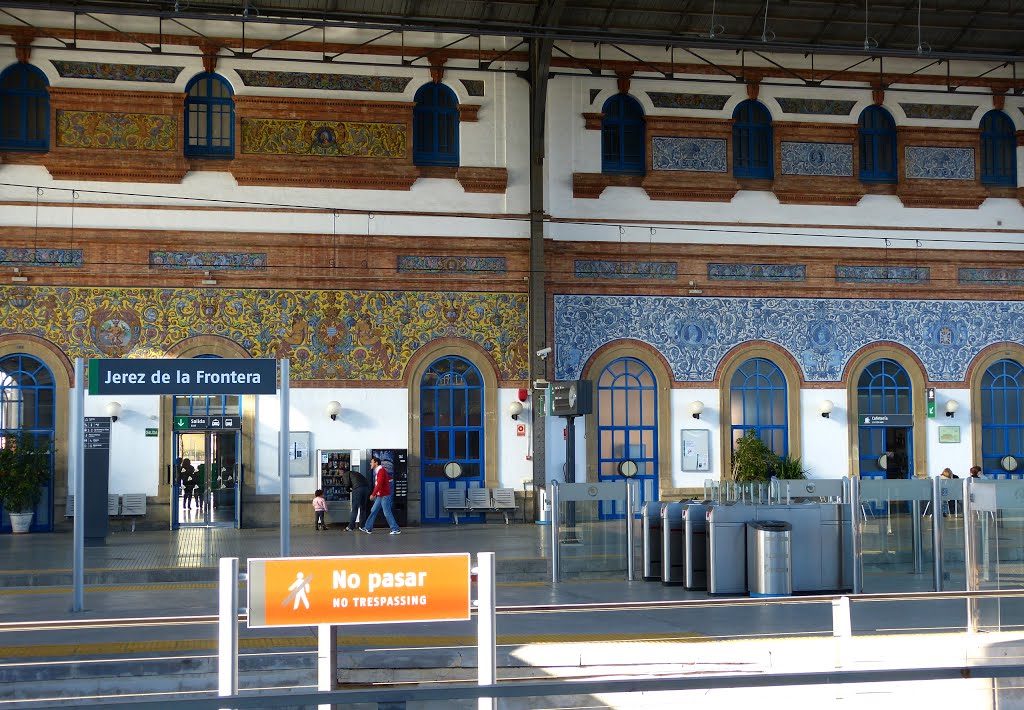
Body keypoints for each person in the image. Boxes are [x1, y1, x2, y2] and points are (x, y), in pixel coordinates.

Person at [359, 456, 401, 535]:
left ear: (376, 463)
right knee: (373, 510)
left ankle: (395, 528)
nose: (370, 463)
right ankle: (368, 528)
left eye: (372, 462)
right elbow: (387, 480)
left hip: (384, 495)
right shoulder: (379, 471)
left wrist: (373, 494)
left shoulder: (381, 471)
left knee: (386, 512)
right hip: (381, 495)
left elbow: (379, 484)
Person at [342, 465, 370, 532]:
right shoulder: (355, 473)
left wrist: (348, 490)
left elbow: (347, 484)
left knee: (355, 508)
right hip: (366, 488)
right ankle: (362, 526)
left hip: (357, 489)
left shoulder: (345, 474)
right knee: (363, 508)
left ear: (342, 471)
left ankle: (350, 527)